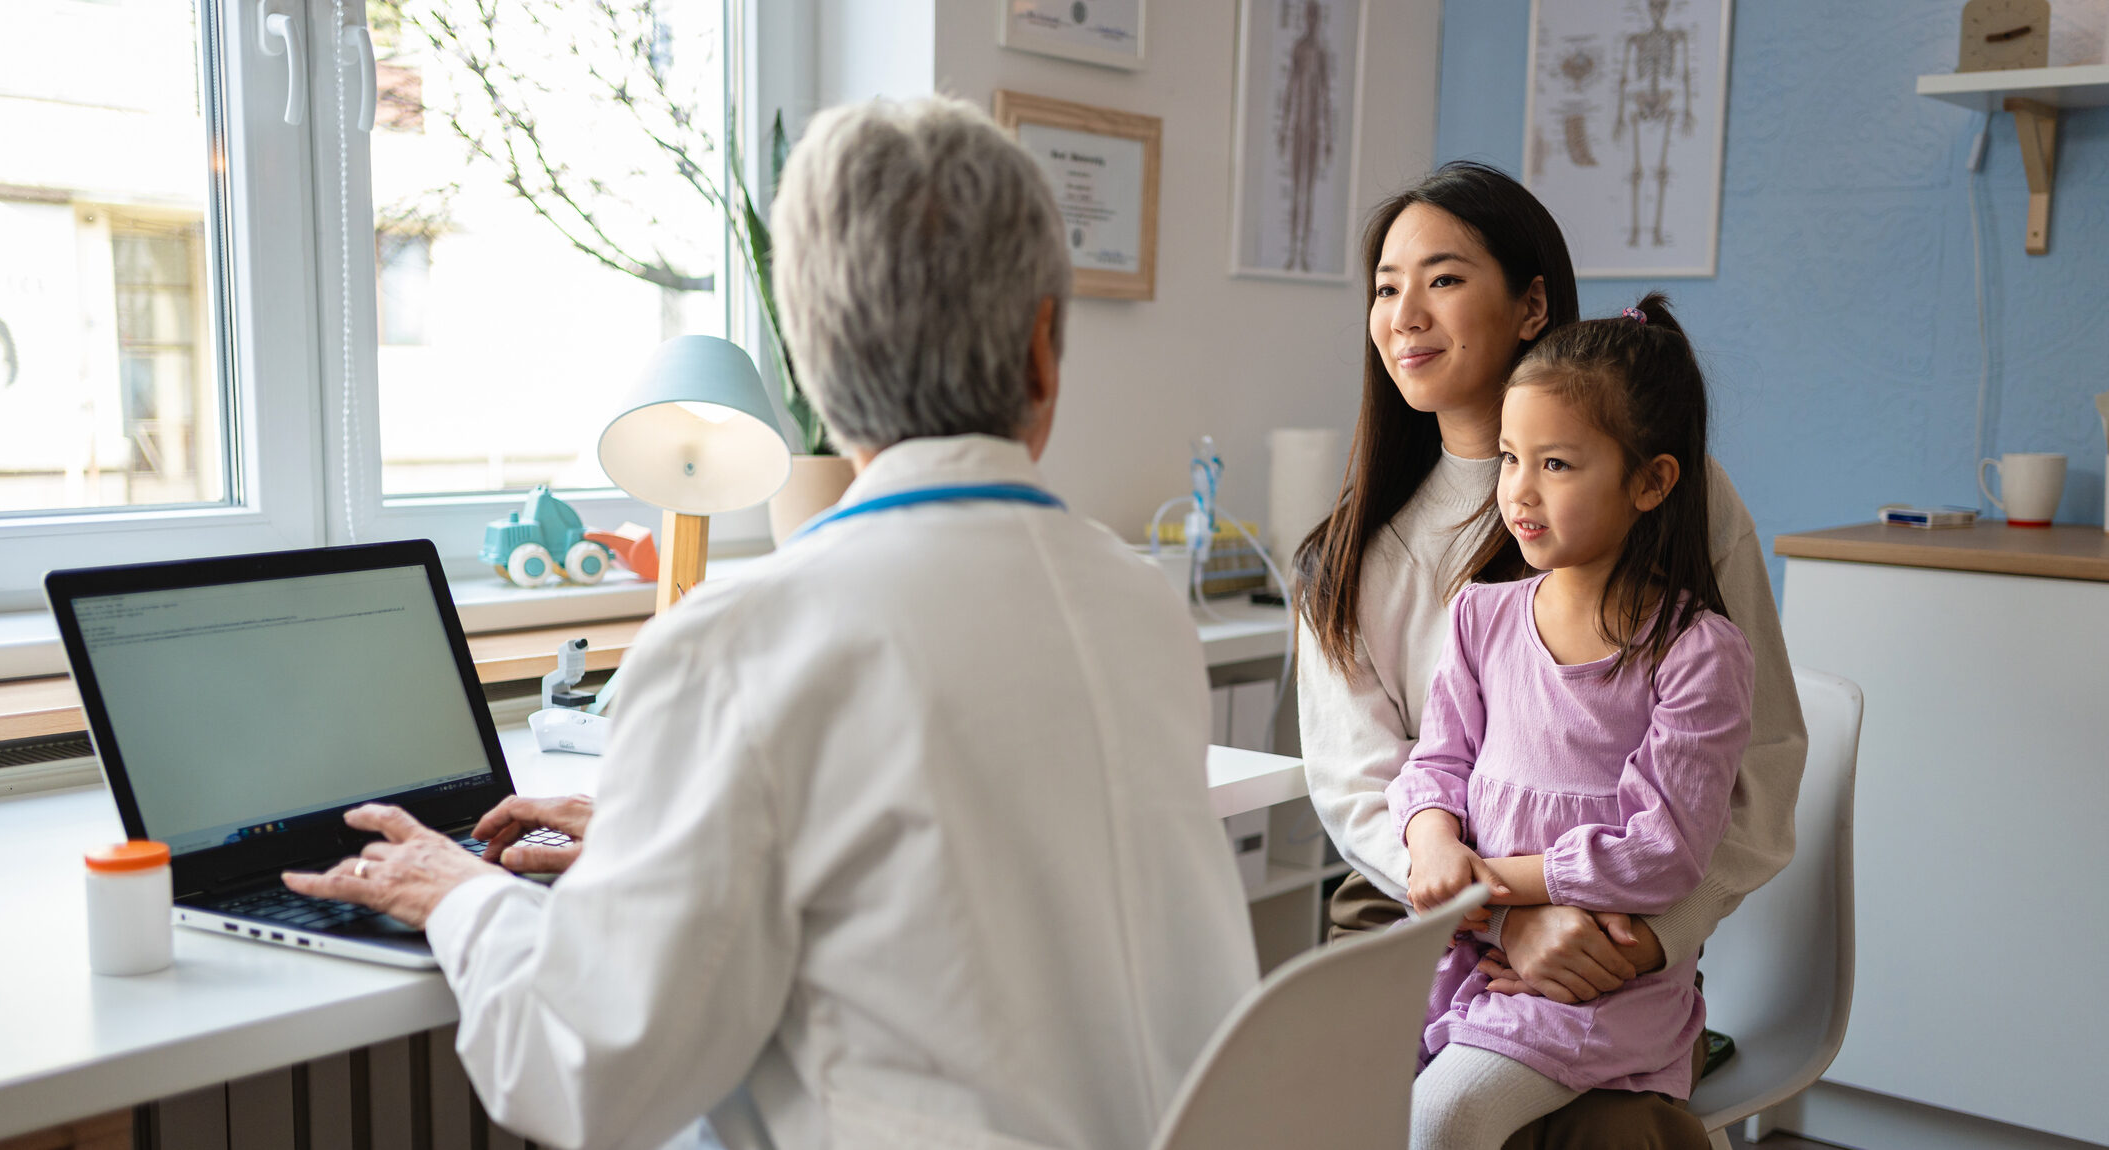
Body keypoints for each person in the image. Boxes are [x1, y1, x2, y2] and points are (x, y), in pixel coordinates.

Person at [286, 95, 1259, 1150]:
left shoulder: (734, 641)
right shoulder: (1139, 604)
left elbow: (581, 1080)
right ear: (1041, 351)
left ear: (811, 360)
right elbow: (950, 881)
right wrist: (663, 850)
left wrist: (462, 895)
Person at [1295, 162, 1806, 1148]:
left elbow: (1761, 763)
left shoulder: (1672, 493)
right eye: (1384, 286)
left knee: (1601, 1133)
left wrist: (1646, 935)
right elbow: (1367, 786)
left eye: (1442, 278)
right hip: (1411, 917)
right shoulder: (1347, 554)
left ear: (1532, 303)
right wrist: (1495, 917)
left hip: (1617, 937)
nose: (1404, 312)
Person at [1396, 294, 1753, 1149]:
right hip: (1472, 962)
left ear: (1651, 481)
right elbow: (1435, 763)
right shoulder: (1481, 617)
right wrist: (1435, 840)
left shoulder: (1699, 652)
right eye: (1511, 457)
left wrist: (1492, 885)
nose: (1518, 489)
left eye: (1556, 464)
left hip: (1600, 986)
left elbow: (1662, 850)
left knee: (1443, 1117)